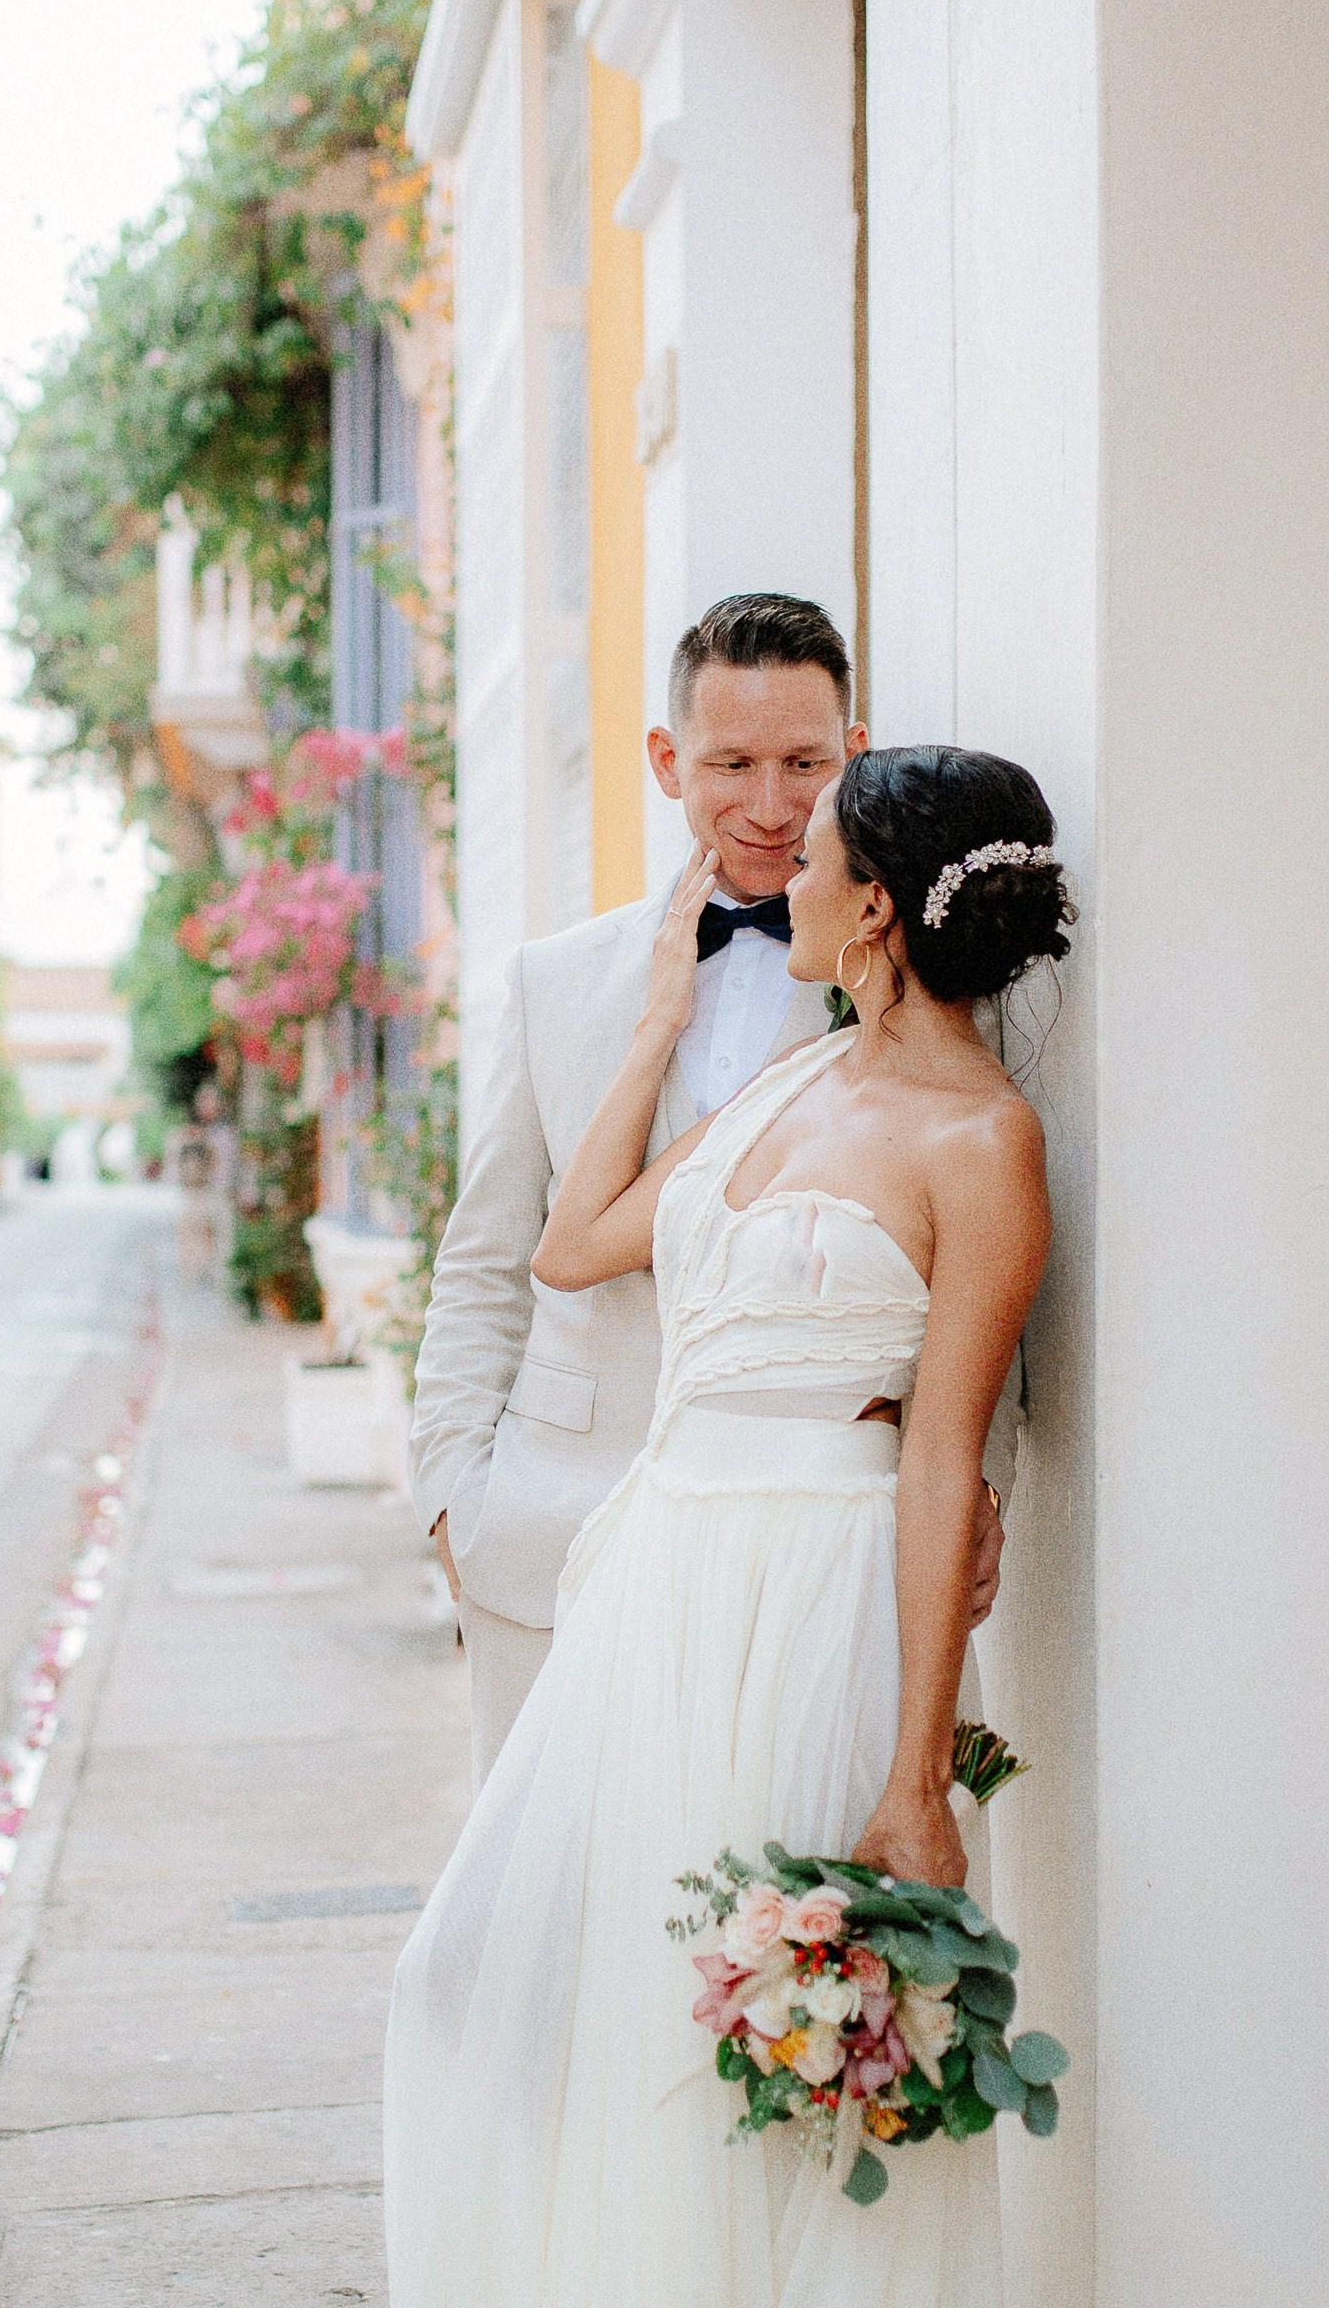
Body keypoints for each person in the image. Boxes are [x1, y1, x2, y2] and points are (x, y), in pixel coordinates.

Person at [383, 745, 1070, 2306]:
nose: (784, 872)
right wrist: (653, 1025)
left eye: (816, 852)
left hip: (816, 1598)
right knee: (530, 1993)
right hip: (657, 1578)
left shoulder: (985, 1146)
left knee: (769, 2051)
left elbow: (941, 1457)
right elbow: (573, 1245)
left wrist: (913, 1781)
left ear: (877, 910)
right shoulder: (786, 1077)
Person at [410, 593, 1013, 1782]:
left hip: (801, 1561)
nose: (770, 805)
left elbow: (974, 1273)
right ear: (665, 761)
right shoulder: (555, 981)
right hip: (551, 1532)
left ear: (851, 753)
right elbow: (485, 1257)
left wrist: (978, 1484)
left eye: (802, 762)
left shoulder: (911, 993)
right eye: (730, 763)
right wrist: (451, 1495)